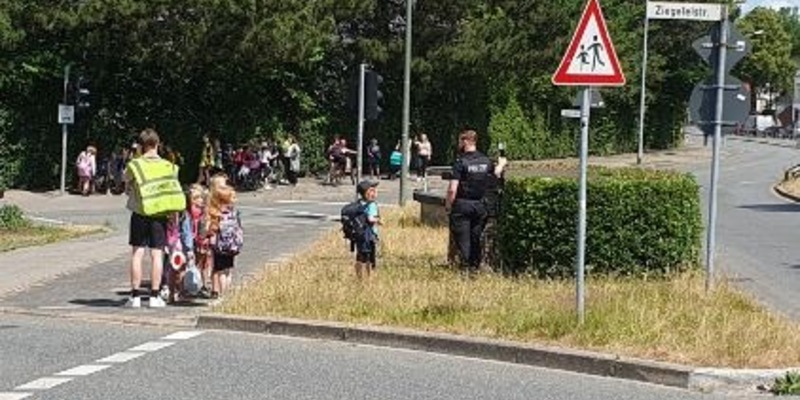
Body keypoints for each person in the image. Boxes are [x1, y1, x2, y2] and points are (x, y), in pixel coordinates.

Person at [124, 128, 186, 308]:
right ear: (158, 144)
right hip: (160, 215)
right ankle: (154, 295)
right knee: (157, 254)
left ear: (141, 146)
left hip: (139, 213)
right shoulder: (169, 166)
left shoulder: (135, 165)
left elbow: (126, 183)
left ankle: (135, 296)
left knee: (137, 253)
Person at [445, 130, 507, 274]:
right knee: (475, 237)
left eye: (460, 141)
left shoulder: (460, 162)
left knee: (463, 239)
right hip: (480, 205)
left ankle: (466, 269)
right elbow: (496, 173)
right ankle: (475, 267)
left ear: (465, 142)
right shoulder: (486, 160)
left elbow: (452, 189)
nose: (459, 144)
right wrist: (502, 164)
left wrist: (448, 204)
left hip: (462, 205)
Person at [204, 176, 243, 300]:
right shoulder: (233, 213)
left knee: (220, 271)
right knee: (228, 271)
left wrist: (207, 236)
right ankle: (227, 293)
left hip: (219, 247)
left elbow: (211, 229)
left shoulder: (216, 213)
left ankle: (222, 295)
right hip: (232, 245)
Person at [353, 180, 380, 279]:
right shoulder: (371, 205)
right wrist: (378, 220)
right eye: (373, 190)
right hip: (369, 236)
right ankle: (368, 278)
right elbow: (370, 219)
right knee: (369, 258)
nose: (375, 191)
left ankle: (359, 277)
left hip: (359, 235)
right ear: (367, 193)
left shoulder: (359, 203)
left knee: (359, 257)